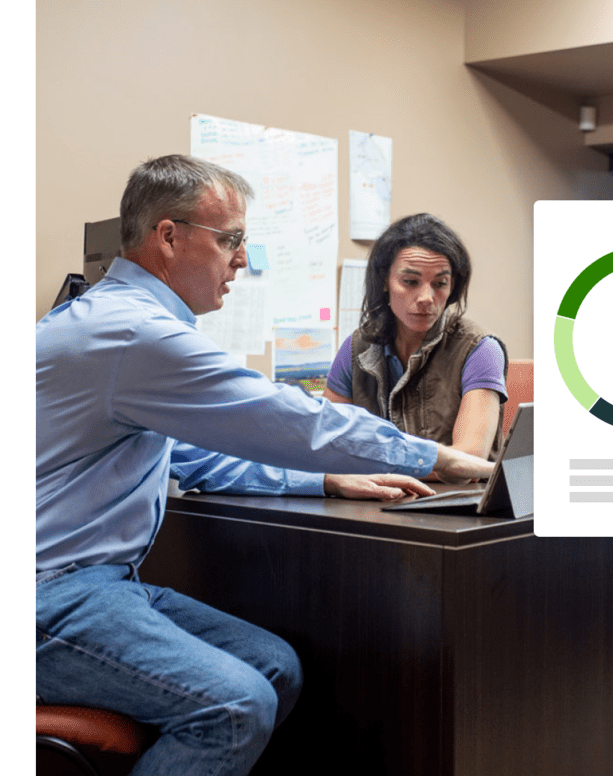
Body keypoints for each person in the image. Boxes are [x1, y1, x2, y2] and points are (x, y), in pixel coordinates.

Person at [35, 155, 494, 776]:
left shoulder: (120, 325)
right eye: (230, 240)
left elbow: (197, 456)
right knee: (234, 705)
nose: (241, 259)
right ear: (168, 237)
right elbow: (288, 417)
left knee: (276, 664)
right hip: (52, 596)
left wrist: (324, 478)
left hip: (99, 583)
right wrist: (433, 456)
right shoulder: (131, 332)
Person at [323, 213, 508, 467]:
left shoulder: (480, 349)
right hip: (370, 500)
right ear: (384, 281)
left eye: (440, 283)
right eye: (410, 281)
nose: (426, 297)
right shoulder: (356, 348)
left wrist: (374, 465)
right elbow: (328, 444)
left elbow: (469, 461)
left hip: (453, 502)